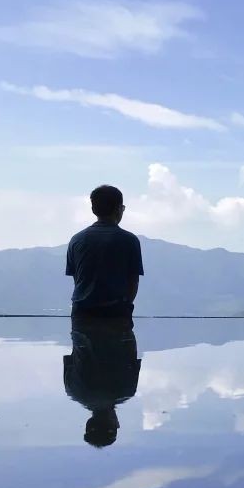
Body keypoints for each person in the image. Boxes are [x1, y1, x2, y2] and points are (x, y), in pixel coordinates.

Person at [66, 185, 144, 322]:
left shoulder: (76, 240)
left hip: (81, 313)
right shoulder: (129, 240)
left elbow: (77, 279)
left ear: (93, 209)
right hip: (117, 313)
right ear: (119, 209)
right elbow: (133, 281)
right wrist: (125, 306)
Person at [63, 318, 141, 447]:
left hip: (119, 322)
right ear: (88, 422)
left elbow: (131, 347)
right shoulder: (72, 391)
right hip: (82, 319)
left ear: (114, 423)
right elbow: (73, 355)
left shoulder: (127, 391)